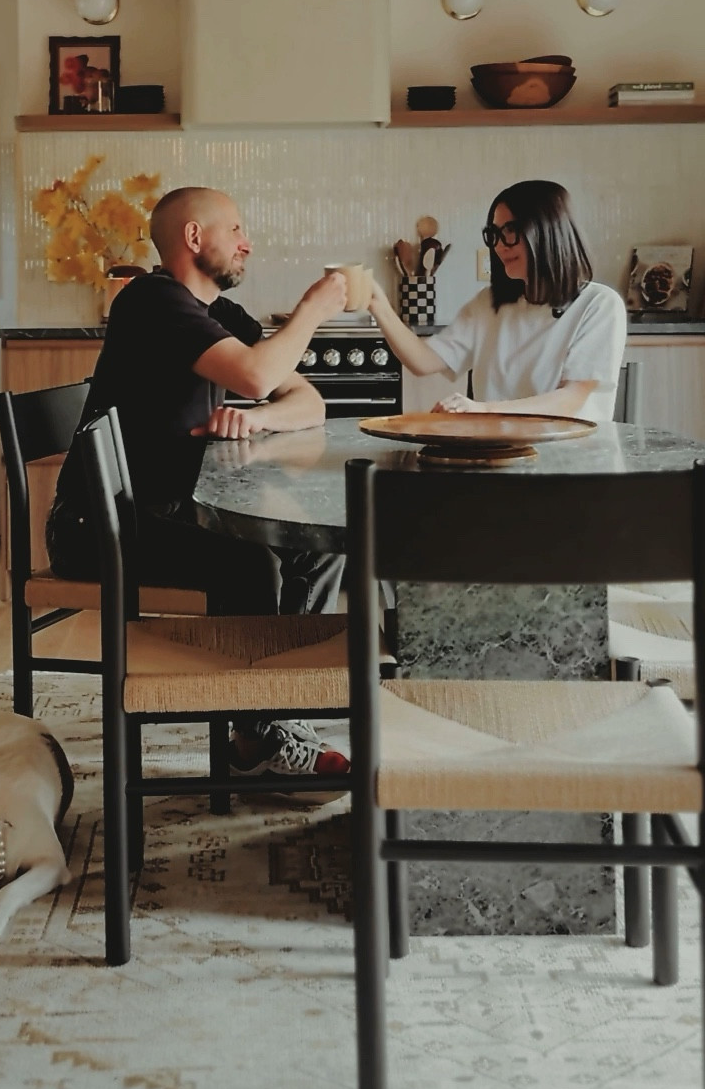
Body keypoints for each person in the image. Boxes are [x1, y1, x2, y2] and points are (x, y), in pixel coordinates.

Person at [46, 185, 350, 776]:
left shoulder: (219, 314)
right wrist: (314, 308)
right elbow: (257, 375)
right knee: (250, 562)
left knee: (317, 545)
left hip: (170, 513)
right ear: (193, 236)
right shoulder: (150, 300)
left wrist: (257, 418)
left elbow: (308, 401)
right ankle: (257, 741)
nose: (247, 243)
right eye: (235, 229)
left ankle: (278, 709)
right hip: (96, 527)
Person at [369, 179, 626, 420]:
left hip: (571, 452)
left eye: (511, 230)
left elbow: (572, 398)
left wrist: (483, 410)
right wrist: (377, 303)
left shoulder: (598, 305)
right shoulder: (489, 303)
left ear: (547, 231)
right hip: (498, 448)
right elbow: (423, 361)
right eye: (494, 233)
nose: (499, 246)